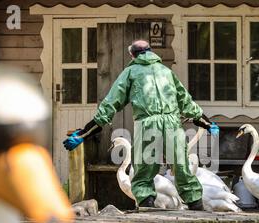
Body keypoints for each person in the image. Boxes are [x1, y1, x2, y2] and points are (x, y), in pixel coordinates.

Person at [63, 40, 219, 210]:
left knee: (144, 172)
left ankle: (148, 211)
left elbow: (109, 105)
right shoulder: (166, 72)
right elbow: (186, 102)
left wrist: (84, 133)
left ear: (132, 55)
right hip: (173, 124)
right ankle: (197, 209)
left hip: (148, 125)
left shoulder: (130, 72)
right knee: (182, 167)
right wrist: (207, 123)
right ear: (151, 52)